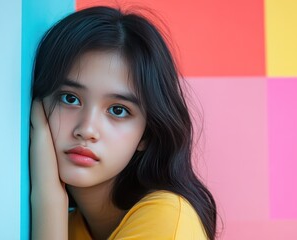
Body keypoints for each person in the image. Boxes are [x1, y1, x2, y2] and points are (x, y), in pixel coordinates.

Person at [30, 6, 217, 240]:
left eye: (118, 110)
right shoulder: (69, 226)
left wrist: (48, 200)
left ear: (146, 135)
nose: (87, 130)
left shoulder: (167, 219)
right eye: (70, 98)